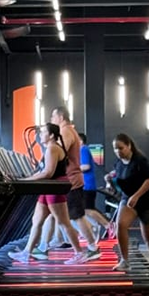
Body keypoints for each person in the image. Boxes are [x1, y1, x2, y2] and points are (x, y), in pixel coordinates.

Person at [9, 123, 87, 265]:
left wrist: (25, 181)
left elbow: (48, 173)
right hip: (48, 187)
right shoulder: (51, 148)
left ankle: (79, 253)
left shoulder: (52, 148)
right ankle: (26, 253)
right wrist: (25, 179)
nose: (39, 135)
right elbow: (44, 172)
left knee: (64, 223)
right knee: (37, 221)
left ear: (51, 135)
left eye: (43, 132)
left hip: (54, 188)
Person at [106, 133, 149, 273]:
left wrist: (137, 196)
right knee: (121, 225)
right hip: (128, 198)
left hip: (148, 201)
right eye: (115, 149)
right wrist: (110, 181)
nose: (118, 151)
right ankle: (125, 261)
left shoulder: (140, 161)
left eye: (121, 148)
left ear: (129, 146)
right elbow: (119, 178)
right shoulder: (118, 163)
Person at [50, 107, 101, 259]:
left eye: (53, 117)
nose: (51, 120)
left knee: (76, 216)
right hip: (70, 179)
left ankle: (92, 246)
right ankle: (51, 243)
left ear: (61, 117)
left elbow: (60, 153)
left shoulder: (65, 131)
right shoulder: (69, 131)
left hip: (71, 179)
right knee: (59, 216)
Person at [78, 133, 110, 238]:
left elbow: (86, 166)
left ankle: (108, 225)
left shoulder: (83, 149)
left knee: (88, 209)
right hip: (84, 184)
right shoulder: (82, 150)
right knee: (84, 210)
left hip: (87, 184)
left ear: (80, 141)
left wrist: (74, 169)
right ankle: (93, 228)